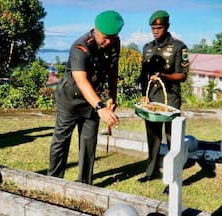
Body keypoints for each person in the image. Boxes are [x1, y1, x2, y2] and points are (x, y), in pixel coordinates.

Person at [47, 10, 124, 185]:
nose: (109, 42)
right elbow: (81, 81)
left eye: (113, 37)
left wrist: (112, 97)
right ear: (96, 29)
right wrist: (100, 108)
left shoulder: (114, 42)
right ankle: (53, 181)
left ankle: (84, 183)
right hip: (70, 99)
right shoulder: (80, 46)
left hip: (92, 100)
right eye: (105, 37)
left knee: (89, 142)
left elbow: (113, 71)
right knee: (61, 140)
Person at [137, 10, 189, 183]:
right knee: (152, 138)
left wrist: (164, 76)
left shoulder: (179, 47)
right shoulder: (147, 48)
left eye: (159, 27)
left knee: (172, 140)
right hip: (151, 100)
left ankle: (173, 179)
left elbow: (182, 75)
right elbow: (143, 75)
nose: (155, 31)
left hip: (170, 100)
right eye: (153, 28)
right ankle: (151, 172)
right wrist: (144, 95)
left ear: (167, 27)